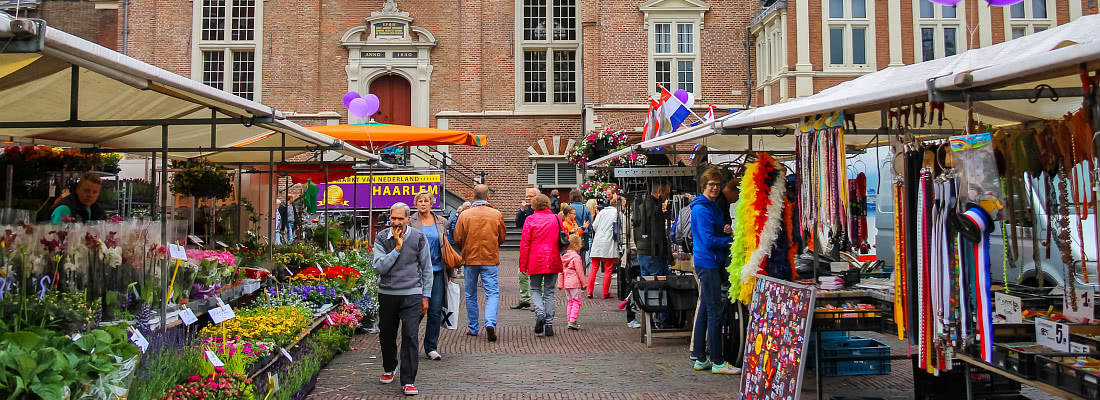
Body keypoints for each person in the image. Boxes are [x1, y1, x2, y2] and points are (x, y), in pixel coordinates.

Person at [372, 202, 434, 395]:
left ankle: (408, 380)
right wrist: (397, 249)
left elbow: (426, 268)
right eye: (393, 218)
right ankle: (390, 367)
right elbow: (379, 267)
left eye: (400, 218)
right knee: (387, 334)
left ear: (408, 219)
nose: (396, 222)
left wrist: (426, 296)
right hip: (388, 292)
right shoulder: (382, 238)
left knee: (410, 335)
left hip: (411, 293)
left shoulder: (418, 238)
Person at [689, 167, 740, 375]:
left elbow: (714, 232)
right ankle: (718, 360)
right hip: (707, 263)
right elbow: (709, 241)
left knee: (704, 311)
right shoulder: (701, 209)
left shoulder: (711, 207)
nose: (715, 188)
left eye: (718, 185)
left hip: (709, 261)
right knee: (715, 311)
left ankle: (701, 358)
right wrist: (730, 239)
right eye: (711, 185)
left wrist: (725, 229)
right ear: (704, 186)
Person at [453, 185, 507, 342]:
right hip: (490, 258)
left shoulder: (465, 215)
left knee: (470, 293)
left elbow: (457, 238)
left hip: (470, 258)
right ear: (488, 197)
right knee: (492, 293)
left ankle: (473, 327)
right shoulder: (496, 214)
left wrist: (465, 248)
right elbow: (502, 237)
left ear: (473, 196)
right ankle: (490, 322)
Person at [407, 190, 453, 361]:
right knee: (417, 310)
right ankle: (409, 343)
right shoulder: (410, 222)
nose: (423, 204)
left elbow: (446, 248)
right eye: (420, 201)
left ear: (431, 203)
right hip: (416, 273)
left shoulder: (441, 222)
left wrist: (451, 272)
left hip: (438, 271)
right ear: (416, 203)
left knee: (434, 311)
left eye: (426, 201)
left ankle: (431, 346)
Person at [519, 194, 564, 337]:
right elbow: (564, 237)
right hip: (552, 257)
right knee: (549, 292)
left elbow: (525, 243)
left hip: (535, 258)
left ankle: (540, 314)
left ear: (534, 205)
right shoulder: (557, 218)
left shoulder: (530, 219)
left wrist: (523, 265)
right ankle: (549, 324)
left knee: (535, 289)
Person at [633, 180, 673, 328]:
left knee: (648, 288)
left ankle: (648, 322)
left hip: (642, 252)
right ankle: (664, 322)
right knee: (661, 287)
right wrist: (667, 255)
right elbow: (659, 235)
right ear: (659, 192)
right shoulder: (655, 209)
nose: (667, 198)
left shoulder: (641, 206)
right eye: (666, 194)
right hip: (654, 253)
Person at [588, 191, 622, 299]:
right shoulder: (617, 213)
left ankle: (589, 291)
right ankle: (605, 292)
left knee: (594, 267)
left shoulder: (602, 212)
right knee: (608, 268)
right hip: (609, 242)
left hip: (598, 241)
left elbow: (594, 226)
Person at [511, 187, 539, 310]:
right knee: (522, 273)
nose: (528, 198)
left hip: (537, 247)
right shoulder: (527, 209)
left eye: (531, 196)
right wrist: (522, 210)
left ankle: (539, 301)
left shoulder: (541, 210)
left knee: (538, 276)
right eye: (528, 196)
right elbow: (518, 223)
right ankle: (525, 299)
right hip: (527, 246)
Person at [558, 234, 588, 330]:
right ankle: (572, 320)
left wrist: (560, 283)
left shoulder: (563, 257)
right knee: (576, 301)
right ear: (575, 245)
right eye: (580, 245)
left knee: (570, 302)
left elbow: (561, 272)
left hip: (567, 284)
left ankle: (569, 319)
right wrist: (584, 283)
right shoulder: (576, 257)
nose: (580, 246)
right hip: (575, 283)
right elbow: (580, 272)